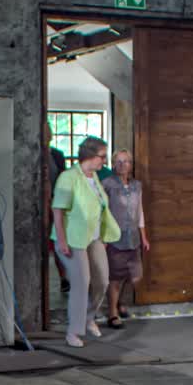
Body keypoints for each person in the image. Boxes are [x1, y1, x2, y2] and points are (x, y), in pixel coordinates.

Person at [51, 136, 120, 348]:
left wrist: (103, 234)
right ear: (89, 155)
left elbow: (99, 207)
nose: (104, 161)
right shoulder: (68, 177)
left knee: (102, 281)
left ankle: (89, 317)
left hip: (94, 237)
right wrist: (62, 240)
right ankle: (73, 332)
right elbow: (58, 209)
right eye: (102, 156)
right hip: (72, 239)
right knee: (82, 283)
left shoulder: (94, 177)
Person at [101, 149, 149, 328]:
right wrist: (102, 236)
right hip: (115, 237)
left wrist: (144, 236)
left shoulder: (137, 185)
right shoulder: (107, 184)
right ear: (113, 164)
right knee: (115, 277)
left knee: (133, 275)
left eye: (126, 161)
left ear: (131, 164)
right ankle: (112, 313)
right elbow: (101, 212)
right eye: (119, 161)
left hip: (133, 237)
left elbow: (140, 211)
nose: (122, 165)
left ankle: (120, 303)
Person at [43, 123, 70, 294]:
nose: (47, 134)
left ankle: (64, 277)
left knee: (59, 240)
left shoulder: (57, 155)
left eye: (48, 130)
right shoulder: (34, 154)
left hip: (56, 204)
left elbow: (63, 180)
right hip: (40, 205)